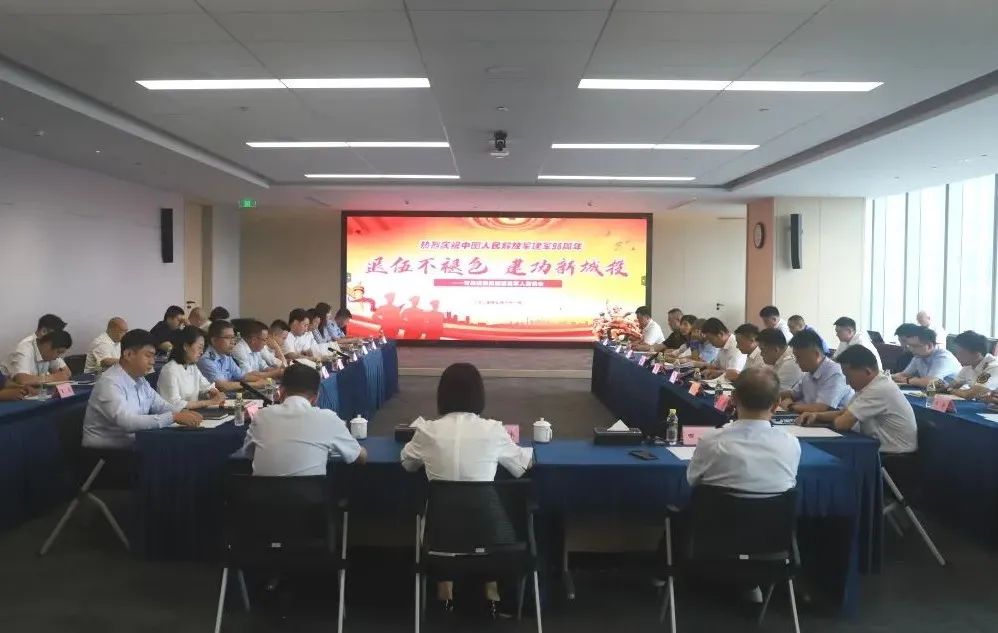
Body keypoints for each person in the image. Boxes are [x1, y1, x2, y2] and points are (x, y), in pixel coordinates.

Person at [401, 363, 533, 614]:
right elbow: (523, 465)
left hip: (438, 538)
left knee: (447, 517)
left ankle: (445, 591)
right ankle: (491, 590)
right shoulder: (493, 429)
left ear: (442, 395)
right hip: (493, 539)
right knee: (490, 510)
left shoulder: (427, 431)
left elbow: (407, 463)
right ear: (479, 395)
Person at [688, 367, 801, 493]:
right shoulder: (791, 443)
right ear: (776, 404)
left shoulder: (711, 441)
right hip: (776, 506)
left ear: (733, 399)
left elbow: (692, 480)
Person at [82, 329, 201, 448]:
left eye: (154, 356)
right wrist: (173, 417)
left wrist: (182, 412)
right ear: (128, 354)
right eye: (148, 356)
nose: (152, 362)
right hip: (106, 452)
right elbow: (127, 422)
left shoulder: (140, 379)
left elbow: (160, 405)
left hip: (135, 444)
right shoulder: (110, 383)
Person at [243, 364, 367, 476]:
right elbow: (360, 457)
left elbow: (249, 454)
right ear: (316, 397)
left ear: (281, 391)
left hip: (261, 493)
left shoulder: (261, 416)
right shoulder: (328, 418)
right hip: (311, 494)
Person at [799, 346, 917, 454]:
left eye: (848, 376)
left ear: (867, 371)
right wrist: (816, 416)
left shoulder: (878, 389)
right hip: (882, 448)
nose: (847, 382)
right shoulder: (872, 384)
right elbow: (844, 412)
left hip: (895, 456)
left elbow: (842, 423)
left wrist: (825, 422)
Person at [780, 329, 853, 413]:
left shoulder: (836, 373)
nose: (796, 361)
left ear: (816, 354)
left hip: (830, 421)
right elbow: (792, 394)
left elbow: (820, 408)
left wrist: (790, 406)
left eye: (799, 357)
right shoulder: (809, 373)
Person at [157, 326, 225, 410]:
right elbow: (174, 404)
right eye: (199, 347)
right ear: (186, 346)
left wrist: (212, 392)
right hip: (175, 416)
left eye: (203, 348)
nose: (202, 352)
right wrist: (209, 402)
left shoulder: (192, 366)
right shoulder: (170, 370)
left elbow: (206, 386)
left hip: (193, 413)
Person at [197, 320, 269, 392]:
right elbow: (222, 386)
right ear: (214, 340)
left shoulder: (226, 356)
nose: (233, 342)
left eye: (233, 337)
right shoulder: (206, 360)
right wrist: (255, 384)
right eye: (228, 338)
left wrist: (261, 380)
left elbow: (243, 376)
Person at [892, 326, 961, 388]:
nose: (911, 349)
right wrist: (888, 377)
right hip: (935, 393)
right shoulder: (918, 356)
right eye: (910, 345)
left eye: (915, 346)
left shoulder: (943, 357)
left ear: (929, 346)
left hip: (957, 395)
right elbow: (904, 375)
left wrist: (908, 380)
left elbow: (931, 382)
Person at [1, 330, 73, 385]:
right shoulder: (25, 348)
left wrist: (59, 376)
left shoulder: (49, 352)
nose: (58, 356)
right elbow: (22, 379)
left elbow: (67, 373)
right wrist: (53, 378)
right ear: (48, 344)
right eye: (58, 352)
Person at [948, 331, 998, 399]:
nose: (957, 356)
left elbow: (970, 395)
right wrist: (946, 388)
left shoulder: (993, 367)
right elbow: (952, 385)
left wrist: (950, 390)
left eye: (961, 353)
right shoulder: (969, 365)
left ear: (977, 353)